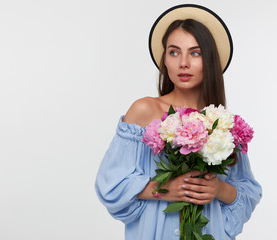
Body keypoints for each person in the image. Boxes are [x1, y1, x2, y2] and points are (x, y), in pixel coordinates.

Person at [95, 4, 262, 240]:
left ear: (210, 59)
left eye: (195, 53)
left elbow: (249, 192)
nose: (183, 63)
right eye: (174, 52)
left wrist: (218, 189)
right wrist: (163, 189)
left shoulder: (222, 124)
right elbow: (110, 184)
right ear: (165, 59)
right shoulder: (144, 110)